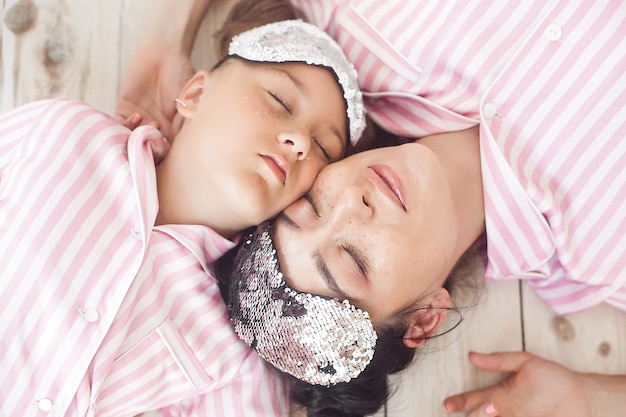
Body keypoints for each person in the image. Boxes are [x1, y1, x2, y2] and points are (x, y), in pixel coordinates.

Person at [117, 1, 626, 416]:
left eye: (314, 203)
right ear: (425, 318)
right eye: (355, 260)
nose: (353, 207)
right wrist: (598, 397)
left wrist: (164, 37)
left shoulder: (357, 32)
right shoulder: (601, 249)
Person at [0, 5, 368, 416]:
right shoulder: (61, 135)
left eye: (322, 149)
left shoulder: (236, 351)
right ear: (194, 94)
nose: (300, 141)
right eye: (280, 100)